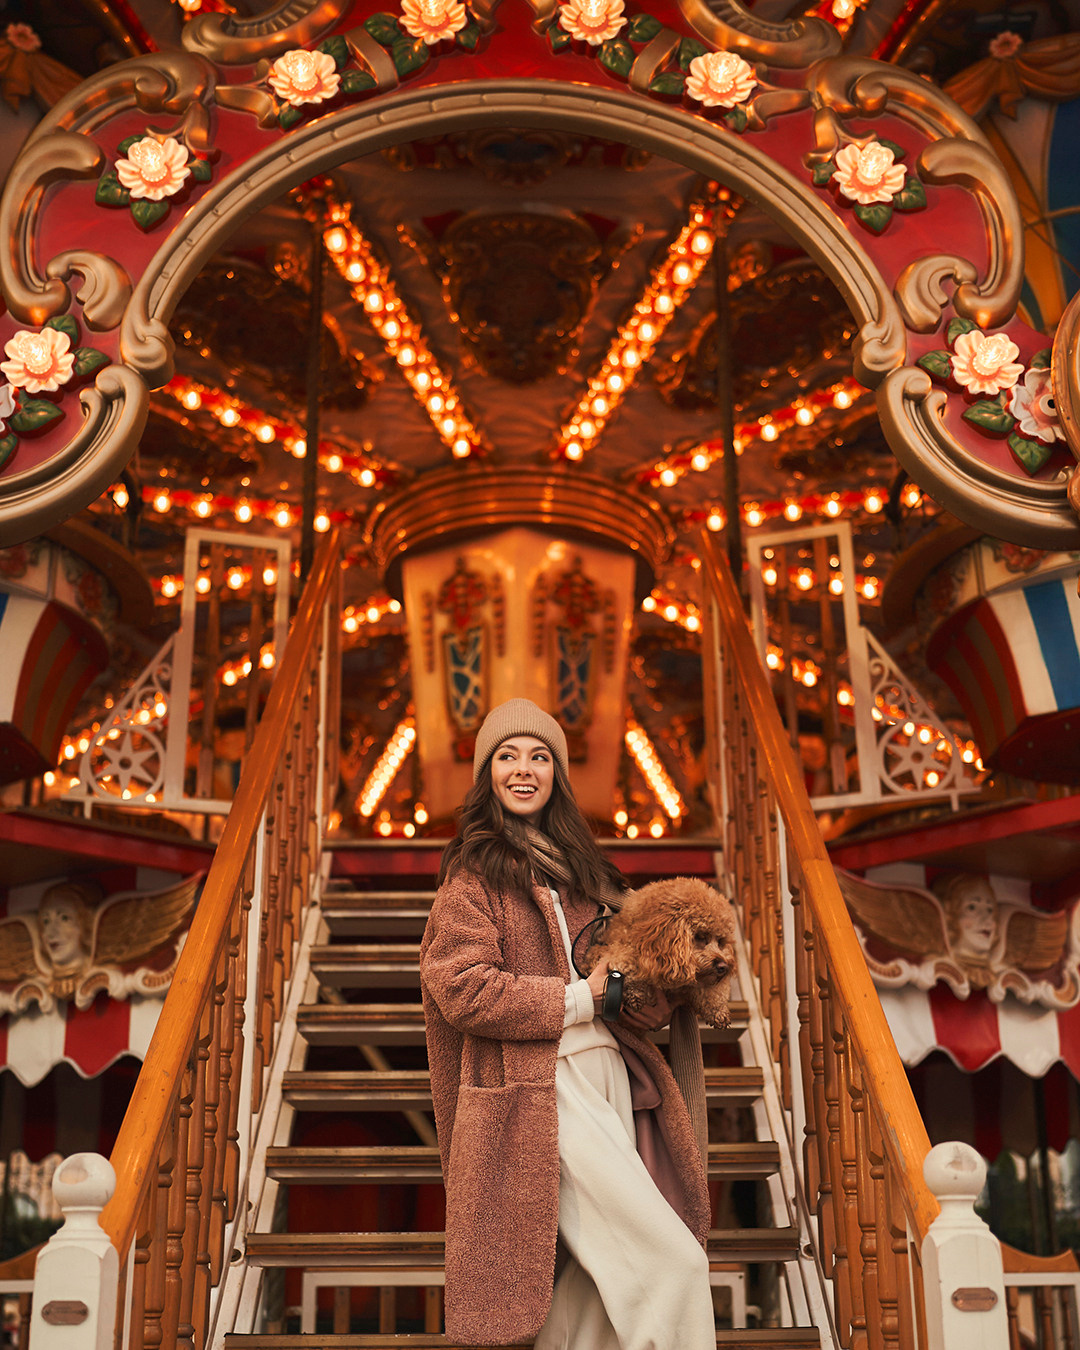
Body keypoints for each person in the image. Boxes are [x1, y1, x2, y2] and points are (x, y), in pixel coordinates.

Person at [420, 698, 714, 1349]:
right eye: (507, 756)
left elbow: (626, 971)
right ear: (487, 774)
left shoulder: (587, 878)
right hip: (543, 1090)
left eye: (539, 756)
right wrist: (580, 999)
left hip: (612, 1080)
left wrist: (661, 986)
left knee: (587, 1297)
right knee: (673, 1267)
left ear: (557, 773)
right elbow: (464, 990)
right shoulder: (471, 881)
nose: (524, 769)